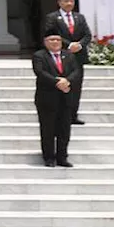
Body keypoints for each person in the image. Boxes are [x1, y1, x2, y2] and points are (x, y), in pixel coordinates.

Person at [44, 0, 91, 125]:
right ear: (59, 2)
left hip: (78, 57)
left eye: (71, 1)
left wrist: (80, 45)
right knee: (61, 85)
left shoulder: (79, 17)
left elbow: (87, 35)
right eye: (66, 1)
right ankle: (60, 115)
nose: (69, 3)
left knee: (76, 86)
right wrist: (69, 45)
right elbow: (50, 34)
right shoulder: (52, 17)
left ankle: (73, 115)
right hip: (61, 55)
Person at [34, 29, 77, 167]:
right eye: (52, 40)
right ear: (45, 42)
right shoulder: (39, 55)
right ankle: (49, 157)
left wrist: (67, 81)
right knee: (48, 129)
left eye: (58, 40)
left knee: (64, 129)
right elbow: (40, 72)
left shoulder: (68, 55)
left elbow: (76, 71)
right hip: (47, 98)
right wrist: (57, 82)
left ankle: (62, 157)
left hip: (65, 97)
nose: (55, 42)